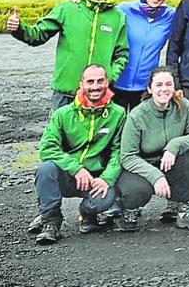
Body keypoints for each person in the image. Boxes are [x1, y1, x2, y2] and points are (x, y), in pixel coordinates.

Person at [6, 0, 129, 110]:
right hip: (66, 92)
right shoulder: (67, 8)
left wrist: (109, 77)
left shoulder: (117, 16)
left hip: (99, 94)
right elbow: (37, 35)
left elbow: (122, 54)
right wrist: (18, 28)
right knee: (57, 133)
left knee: (94, 134)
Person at [28, 64, 126, 244]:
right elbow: (47, 148)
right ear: (81, 84)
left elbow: (119, 151)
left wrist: (107, 178)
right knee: (45, 169)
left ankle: (88, 213)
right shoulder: (62, 114)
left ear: (107, 83)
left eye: (100, 81)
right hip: (68, 175)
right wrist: (76, 168)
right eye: (90, 82)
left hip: (96, 178)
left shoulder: (118, 114)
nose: (95, 86)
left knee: (106, 198)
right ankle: (51, 222)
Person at [114, 66, 189, 232]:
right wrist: (155, 176)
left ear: (174, 87)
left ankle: (187, 209)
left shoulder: (185, 106)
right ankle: (130, 210)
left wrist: (174, 146)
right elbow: (128, 156)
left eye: (168, 84)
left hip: (171, 161)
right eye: (158, 85)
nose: (164, 89)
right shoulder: (137, 115)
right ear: (150, 89)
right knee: (135, 190)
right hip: (144, 165)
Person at [112, 0, 175, 111]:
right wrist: (75, 1)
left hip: (144, 87)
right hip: (117, 82)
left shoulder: (170, 16)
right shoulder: (124, 10)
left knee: (141, 129)